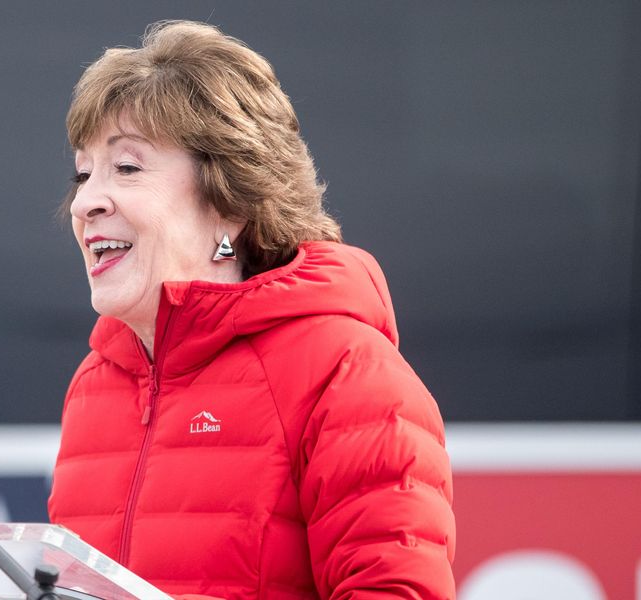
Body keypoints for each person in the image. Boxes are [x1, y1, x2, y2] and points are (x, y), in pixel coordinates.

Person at [47, 21, 455, 600]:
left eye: (127, 168)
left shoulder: (344, 371)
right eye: (83, 173)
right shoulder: (97, 383)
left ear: (228, 203)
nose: (85, 202)